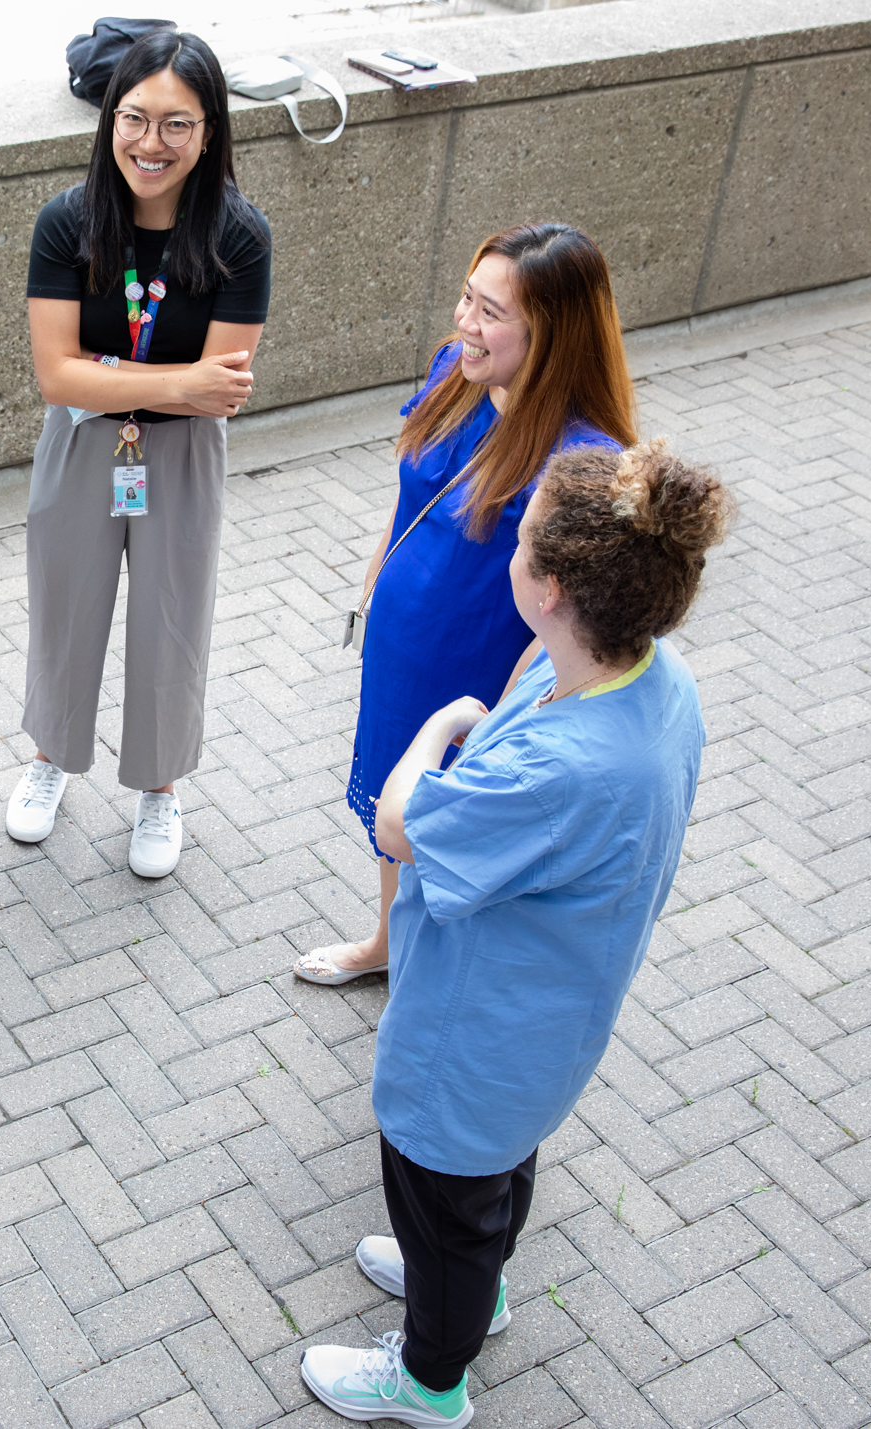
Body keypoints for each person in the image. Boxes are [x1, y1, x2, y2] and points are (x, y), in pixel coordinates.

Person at [301, 441, 734, 1426]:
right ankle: (469, 1285)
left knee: (437, 1195)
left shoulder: (557, 767)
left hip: (472, 1037)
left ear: (543, 588)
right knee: (492, 1179)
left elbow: (398, 825)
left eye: (521, 529)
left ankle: (427, 1377)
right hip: (544, 1026)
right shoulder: (650, 680)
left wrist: (438, 726)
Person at [295, 222, 636, 987]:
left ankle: (434, 977)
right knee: (394, 798)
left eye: (489, 312)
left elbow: (564, 618)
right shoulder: (460, 372)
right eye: (465, 297)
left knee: (451, 828)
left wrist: (511, 710)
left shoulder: (582, 458)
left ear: (551, 334)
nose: (463, 323)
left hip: (478, 675)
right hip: (402, 649)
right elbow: (412, 488)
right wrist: (375, 580)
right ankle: (388, 944)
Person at [9, 28, 271, 879]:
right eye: (134, 118)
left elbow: (221, 390)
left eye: (176, 124)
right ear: (108, 119)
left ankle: (160, 785)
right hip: (82, 447)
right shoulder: (68, 221)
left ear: (209, 130)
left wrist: (114, 375)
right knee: (64, 605)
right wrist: (175, 380)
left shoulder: (240, 235)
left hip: (183, 458)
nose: (150, 144)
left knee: (171, 620)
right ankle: (51, 758)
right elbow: (56, 377)